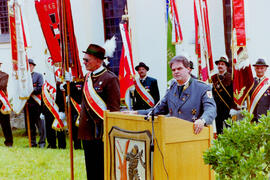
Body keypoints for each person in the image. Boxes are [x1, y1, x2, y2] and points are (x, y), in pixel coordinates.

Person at [129, 55, 216, 134]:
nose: (176, 72)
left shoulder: (202, 88)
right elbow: (158, 109)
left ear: (188, 69)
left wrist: (202, 120)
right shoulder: (171, 89)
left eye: (179, 68)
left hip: (194, 134)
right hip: (174, 135)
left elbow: (211, 109)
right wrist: (136, 113)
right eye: (174, 70)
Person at [78, 43, 120, 179]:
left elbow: (114, 109)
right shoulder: (87, 77)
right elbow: (84, 101)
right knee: (90, 169)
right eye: (83, 59)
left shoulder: (110, 78)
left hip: (100, 132)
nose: (84, 62)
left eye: (87, 60)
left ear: (98, 60)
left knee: (101, 169)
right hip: (87, 131)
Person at [211, 55, 235, 134]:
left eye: (222, 64)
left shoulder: (231, 77)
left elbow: (234, 93)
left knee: (229, 130)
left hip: (228, 108)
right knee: (219, 130)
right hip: (217, 109)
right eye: (219, 64)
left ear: (226, 66)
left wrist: (233, 108)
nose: (220, 66)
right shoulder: (213, 78)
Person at [25, 59, 46, 148]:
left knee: (41, 126)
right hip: (27, 104)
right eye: (28, 65)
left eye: (31, 65)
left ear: (33, 66)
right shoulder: (23, 77)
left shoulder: (38, 76)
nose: (29, 67)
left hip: (37, 105)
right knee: (30, 127)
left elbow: (40, 88)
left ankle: (42, 143)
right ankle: (32, 143)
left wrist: (30, 90)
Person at [0, 61, 13, 147]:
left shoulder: (4, 75)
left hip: (2, 103)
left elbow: (2, 85)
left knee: (6, 125)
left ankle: (9, 142)